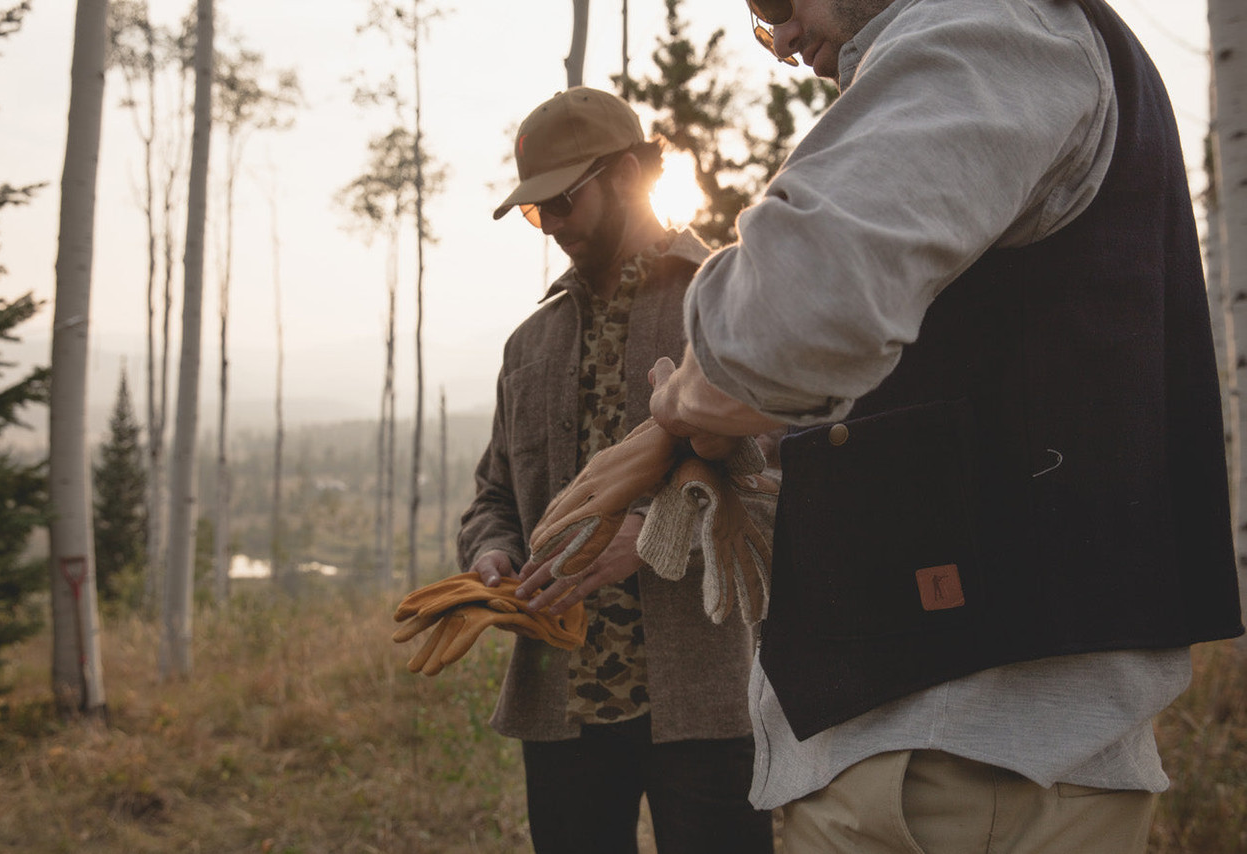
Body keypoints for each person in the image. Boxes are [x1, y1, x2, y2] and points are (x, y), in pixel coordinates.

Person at [648, 1, 1245, 852]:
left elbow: (790, 316)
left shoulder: (991, 25)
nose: (777, 37)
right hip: (962, 766)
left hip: (948, 777)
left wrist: (674, 406)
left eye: (778, 2)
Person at [457, 86, 774, 854]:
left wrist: (654, 532)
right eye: (537, 213)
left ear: (629, 174)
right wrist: (489, 553)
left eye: (562, 202)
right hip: (561, 708)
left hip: (708, 700)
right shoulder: (527, 346)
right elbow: (494, 495)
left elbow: (779, 485)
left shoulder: (727, 305)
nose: (553, 226)